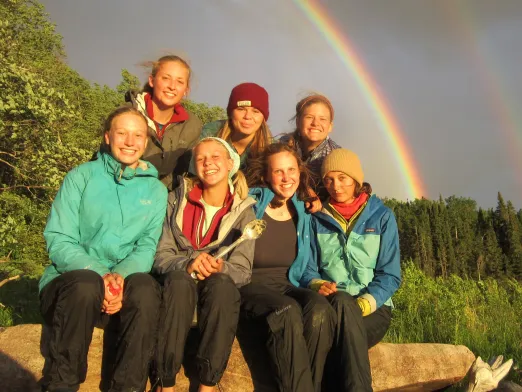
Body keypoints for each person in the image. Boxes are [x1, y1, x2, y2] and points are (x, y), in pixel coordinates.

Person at [39, 106, 168, 392]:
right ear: (108, 136)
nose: (130, 141)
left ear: (146, 142)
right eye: (122, 133)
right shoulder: (81, 176)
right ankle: (62, 385)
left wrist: (119, 277)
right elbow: (59, 238)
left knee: (146, 289)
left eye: (138, 135)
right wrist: (101, 276)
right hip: (72, 287)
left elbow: (146, 246)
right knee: (86, 284)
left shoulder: (156, 191)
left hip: (122, 287)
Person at [152, 137, 256, 392]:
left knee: (223, 285)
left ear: (230, 163)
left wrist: (221, 268)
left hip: (215, 294)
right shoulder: (175, 201)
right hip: (178, 289)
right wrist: (188, 264)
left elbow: (242, 271)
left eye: (216, 156)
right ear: (193, 165)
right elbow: (161, 255)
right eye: (201, 158)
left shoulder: (244, 212)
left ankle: (207, 384)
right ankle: (165, 383)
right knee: (178, 280)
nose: (208, 162)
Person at [240, 143, 335, 392]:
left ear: (300, 173)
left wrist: (317, 284)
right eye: (278, 171)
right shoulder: (251, 203)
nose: (286, 178)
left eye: (291, 170)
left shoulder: (303, 214)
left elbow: (306, 268)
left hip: (286, 286)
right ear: (266, 176)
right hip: (248, 287)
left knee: (319, 308)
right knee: (287, 309)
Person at [306, 148, 402, 392]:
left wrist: (364, 304)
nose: (335, 186)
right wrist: (317, 284)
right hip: (332, 307)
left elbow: (390, 275)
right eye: (328, 179)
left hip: (373, 311)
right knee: (340, 302)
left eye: (342, 178)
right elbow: (307, 269)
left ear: (356, 180)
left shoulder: (382, 217)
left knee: (337, 328)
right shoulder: (315, 218)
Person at [126, 54, 203, 189]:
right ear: (152, 80)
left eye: (180, 82)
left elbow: (184, 176)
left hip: (163, 203)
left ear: (186, 90)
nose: (172, 86)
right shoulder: (126, 115)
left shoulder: (192, 126)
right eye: (166, 78)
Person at [280, 94, 341, 200]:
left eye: (322, 119)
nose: (315, 123)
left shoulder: (337, 156)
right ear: (298, 122)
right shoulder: (281, 146)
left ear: (330, 126)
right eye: (309, 117)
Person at [200, 82, 272, 170]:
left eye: (255, 111)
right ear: (231, 113)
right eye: (241, 109)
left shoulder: (269, 150)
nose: (247, 116)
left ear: (263, 118)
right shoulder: (210, 134)